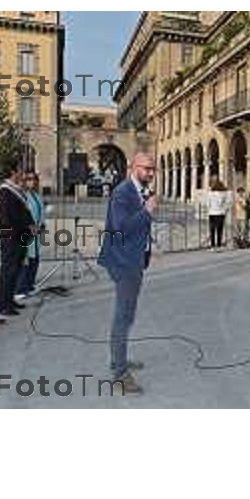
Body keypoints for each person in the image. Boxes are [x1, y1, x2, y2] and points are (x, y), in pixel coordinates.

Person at [97, 153, 157, 394]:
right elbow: (122, 228)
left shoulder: (137, 191)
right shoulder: (123, 192)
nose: (151, 173)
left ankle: (118, 360)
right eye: (146, 169)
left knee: (127, 315)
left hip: (133, 259)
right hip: (124, 262)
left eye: (153, 169)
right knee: (123, 316)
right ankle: (120, 374)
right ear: (133, 168)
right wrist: (148, 211)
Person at [0, 162, 34, 316]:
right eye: (19, 171)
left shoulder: (15, 190)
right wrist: (27, 225)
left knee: (15, 269)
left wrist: (29, 225)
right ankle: (3, 305)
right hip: (10, 236)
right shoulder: (5, 191)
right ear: (12, 172)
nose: (21, 174)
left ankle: (10, 300)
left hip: (19, 235)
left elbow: (22, 212)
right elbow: (9, 216)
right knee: (8, 270)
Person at [15, 172, 44, 300]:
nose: (31, 181)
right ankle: (20, 289)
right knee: (25, 260)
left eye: (33, 179)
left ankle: (29, 285)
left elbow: (41, 212)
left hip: (36, 232)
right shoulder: (22, 196)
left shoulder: (36, 195)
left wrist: (41, 225)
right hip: (26, 233)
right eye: (28, 179)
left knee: (34, 259)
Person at [206, 179, 230, 250]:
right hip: (221, 213)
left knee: (212, 230)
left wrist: (210, 208)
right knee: (220, 230)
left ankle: (213, 246)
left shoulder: (210, 194)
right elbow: (227, 204)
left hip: (212, 213)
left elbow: (207, 204)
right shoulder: (224, 194)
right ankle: (219, 245)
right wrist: (225, 210)